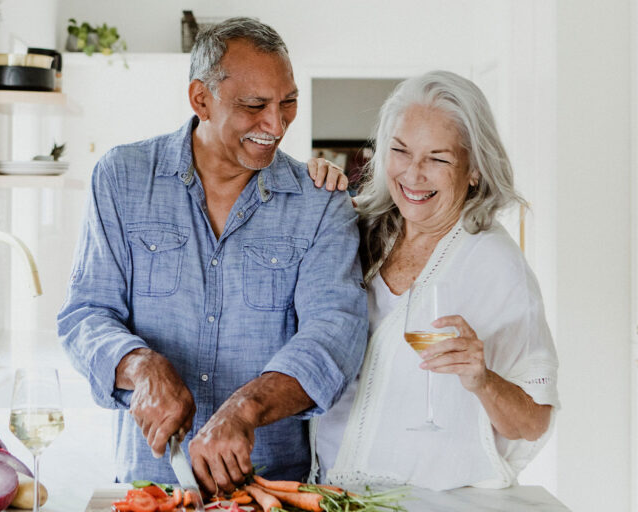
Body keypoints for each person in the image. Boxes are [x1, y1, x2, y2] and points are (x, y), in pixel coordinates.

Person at [56, 18, 368, 493]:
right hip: (150, 486)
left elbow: (334, 335)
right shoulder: (122, 177)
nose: (276, 124)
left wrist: (246, 408)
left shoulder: (321, 201)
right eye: (254, 106)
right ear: (200, 99)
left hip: (271, 488)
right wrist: (140, 366)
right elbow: (85, 314)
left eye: (288, 103)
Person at [307, 70, 559, 490]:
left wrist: (483, 379)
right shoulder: (357, 230)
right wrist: (309, 188)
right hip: (326, 492)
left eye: (438, 159)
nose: (413, 174)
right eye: (401, 151)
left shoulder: (494, 264)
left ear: (474, 169)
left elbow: (532, 422)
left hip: (428, 501)